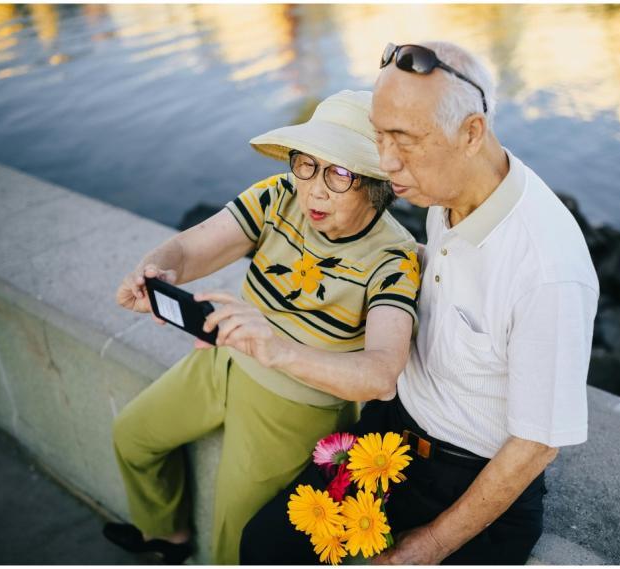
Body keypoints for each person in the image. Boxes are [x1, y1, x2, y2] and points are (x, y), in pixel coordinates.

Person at [240, 41, 599, 565]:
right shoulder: (446, 189)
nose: (384, 163)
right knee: (265, 548)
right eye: (379, 135)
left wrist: (430, 544)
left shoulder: (548, 270)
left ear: (471, 132)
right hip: (389, 435)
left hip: (468, 476)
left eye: (403, 140)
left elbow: (537, 444)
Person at [103, 90, 420, 564]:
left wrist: (278, 351)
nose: (313, 189)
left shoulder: (395, 257)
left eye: (338, 172)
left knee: (235, 541)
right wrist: (155, 270)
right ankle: (164, 535)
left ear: (376, 182)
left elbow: (380, 375)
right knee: (132, 436)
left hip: (294, 405)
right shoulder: (278, 196)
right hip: (222, 359)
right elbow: (189, 251)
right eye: (306, 163)